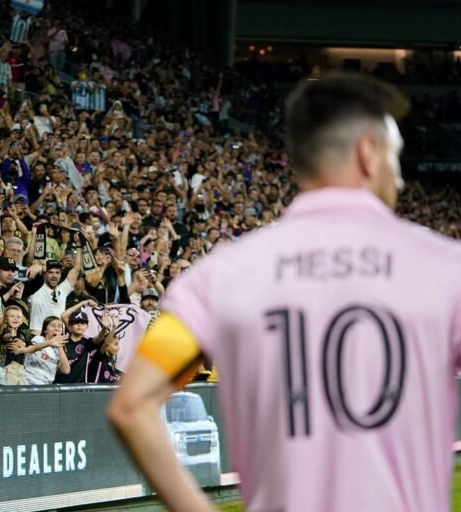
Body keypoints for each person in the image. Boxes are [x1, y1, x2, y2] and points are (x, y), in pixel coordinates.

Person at [108, 73, 461, 512]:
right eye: (397, 158)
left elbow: (131, 406)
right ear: (369, 153)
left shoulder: (220, 276)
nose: (401, 179)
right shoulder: (444, 267)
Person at [28, 250, 82, 335]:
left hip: (58, 338)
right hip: (38, 337)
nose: (54, 276)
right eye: (51, 272)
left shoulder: (62, 289)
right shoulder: (36, 288)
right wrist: (37, 265)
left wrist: (79, 245)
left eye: (57, 273)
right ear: (45, 274)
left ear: (60, 274)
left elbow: (76, 269)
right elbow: (32, 267)